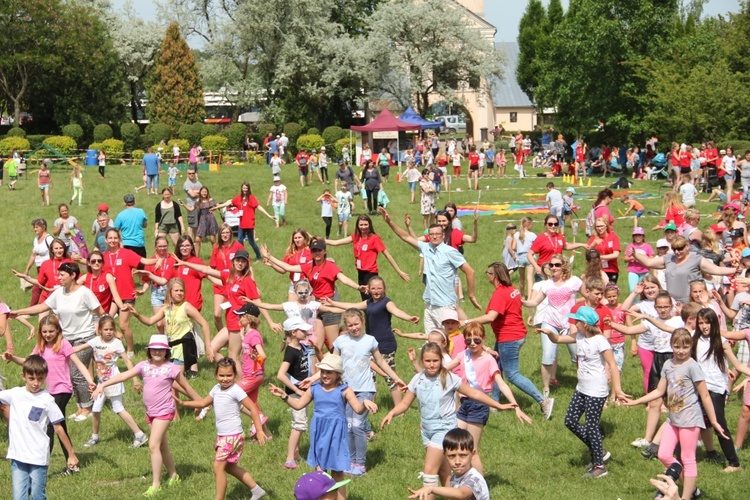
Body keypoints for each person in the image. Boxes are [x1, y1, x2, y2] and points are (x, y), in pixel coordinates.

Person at [380, 342, 518, 498]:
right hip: (427, 431)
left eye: (435, 361)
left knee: (429, 471)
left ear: (441, 360)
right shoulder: (417, 379)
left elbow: (475, 394)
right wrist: (392, 413)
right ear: (422, 361)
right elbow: (405, 403)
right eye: (428, 361)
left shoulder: (449, 378)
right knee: (443, 471)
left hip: (444, 429)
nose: (431, 365)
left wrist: (498, 405)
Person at [623, 329, 728, 500]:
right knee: (663, 454)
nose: (680, 350)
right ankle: (692, 489)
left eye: (685, 347)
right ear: (671, 345)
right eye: (677, 346)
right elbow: (659, 390)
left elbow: (705, 395)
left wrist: (714, 422)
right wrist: (636, 401)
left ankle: (686, 497)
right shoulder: (668, 365)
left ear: (691, 346)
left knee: (688, 458)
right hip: (673, 420)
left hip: (690, 420)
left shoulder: (692, 366)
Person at [92, 334, 201, 497]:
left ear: (166, 352)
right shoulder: (143, 366)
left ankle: (156, 485)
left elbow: (185, 386)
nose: (157, 352)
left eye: (161, 350)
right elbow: (124, 376)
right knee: (162, 446)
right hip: (151, 412)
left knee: (153, 446)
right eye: (154, 349)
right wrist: (104, 385)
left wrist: (200, 403)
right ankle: (174, 475)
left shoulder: (171, 368)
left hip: (164, 412)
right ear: (149, 351)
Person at [269, 353, 377, 500]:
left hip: (337, 434)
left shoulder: (344, 390)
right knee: (320, 474)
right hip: (319, 433)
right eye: (323, 371)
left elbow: (357, 409)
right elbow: (299, 405)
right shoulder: (314, 388)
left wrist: (365, 403)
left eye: (329, 372)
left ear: (338, 374)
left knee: (338, 472)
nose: (325, 375)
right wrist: (284, 396)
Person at [538, 307, 627, 478]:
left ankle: (599, 466)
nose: (574, 323)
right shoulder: (578, 337)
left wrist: (618, 390)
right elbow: (557, 339)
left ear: (585, 324)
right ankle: (599, 451)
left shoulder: (600, 341)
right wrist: (548, 332)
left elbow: (613, 365)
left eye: (576, 321)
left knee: (592, 426)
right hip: (581, 389)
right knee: (570, 421)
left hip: (596, 391)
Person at [11, 262, 105, 421]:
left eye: (62, 274)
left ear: (73, 275)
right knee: (70, 373)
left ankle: (87, 408)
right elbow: (41, 307)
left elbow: (101, 312)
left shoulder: (84, 293)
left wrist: (106, 331)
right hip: (65, 338)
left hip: (85, 337)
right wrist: (18, 312)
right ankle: (80, 406)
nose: (58, 277)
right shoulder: (59, 293)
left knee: (76, 372)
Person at [464, 262, 554, 418]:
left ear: (495, 276)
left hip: (509, 338)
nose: (487, 276)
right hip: (515, 334)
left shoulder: (500, 293)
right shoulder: (513, 290)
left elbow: (491, 317)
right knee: (496, 366)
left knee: (512, 374)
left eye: (488, 273)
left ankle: (543, 401)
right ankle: (494, 404)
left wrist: (467, 322)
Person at [177, 358, 267, 500]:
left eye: (229, 375)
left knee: (218, 467)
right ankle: (256, 490)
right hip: (224, 436)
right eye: (222, 376)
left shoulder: (236, 390)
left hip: (232, 436)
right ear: (216, 375)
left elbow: (253, 409)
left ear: (235, 375)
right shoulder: (216, 389)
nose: (225, 379)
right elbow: (202, 402)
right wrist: (183, 402)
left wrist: (260, 430)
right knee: (229, 467)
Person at [380, 208, 480, 331]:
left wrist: (471, 295)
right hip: (430, 305)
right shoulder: (426, 248)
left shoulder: (450, 252)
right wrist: (389, 221)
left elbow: (470, 271)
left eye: (437, 234)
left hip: (445, 306)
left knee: (448, 341)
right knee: (431, 342)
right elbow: (405, 237)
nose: (434, 237)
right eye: (431, 234)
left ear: (443, 235)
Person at [324, 277, 419, 406]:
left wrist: (409, 318)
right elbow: (352, 307)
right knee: (369, 376)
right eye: (373, 288)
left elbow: (396, 311)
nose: (376, 291)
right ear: (368, 289)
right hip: (369, 346)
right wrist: (333, 303)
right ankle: (368, 406)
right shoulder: (368, 303)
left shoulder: (386, 302)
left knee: (388, 375)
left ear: (384, 289)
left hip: (385, 344)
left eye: (379, 288)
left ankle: (399, 407)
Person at [454, 322, 532, 473]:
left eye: (476, 340)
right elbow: (443, 370)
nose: (472, 344)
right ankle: (462, 477)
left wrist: (516, 406)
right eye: (468, 340)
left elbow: (502, 384)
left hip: (479, 405)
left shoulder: (489, 360)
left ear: (483, 339)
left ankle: (480, 488)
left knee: (471, 449)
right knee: (455, 442)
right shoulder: (463, 355)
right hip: (464, 404)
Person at [261, 238, 365, 349]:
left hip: (330, 305)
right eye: (314, 251)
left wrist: (358, 287)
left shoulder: (330, 266)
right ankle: (316, 366)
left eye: (319, 250)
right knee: (316, 346)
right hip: (317, 306)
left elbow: (344, 279)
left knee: (333, 345)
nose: (317, 253)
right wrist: (269, 257)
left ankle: (345, 363)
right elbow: (288, 267)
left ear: (325, 251)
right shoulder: (309, 266)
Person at [0, 355, 79, 499]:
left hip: (38, 456)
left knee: (37, 495)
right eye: (31, 379)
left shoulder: (47, 400)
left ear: (45, 377)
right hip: (18, 456)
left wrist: (71, 454)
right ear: (23, 376)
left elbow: (59, 428)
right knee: (19, 497)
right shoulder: (15, 394)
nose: (36, 383)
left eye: (40, 379)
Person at [74, 315, 147, 449]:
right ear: (100, 330)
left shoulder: (116, 343)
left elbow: (127, 361)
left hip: (114, 381)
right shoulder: (96, 341)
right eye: (106, 329)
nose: (108, 332)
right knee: (95, 410)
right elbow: (80, 348)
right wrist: (62, 350)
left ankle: (139, 434)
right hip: (101, 383)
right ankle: (94, 437)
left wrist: (135, 379)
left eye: (111, 329)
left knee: (118, 408)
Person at [128, 277, 214, 379]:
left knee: (174, 379)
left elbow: (205, 324)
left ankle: (190, 373)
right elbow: (150, 321)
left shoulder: (186, 307)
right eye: (176, 290)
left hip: (183, 348)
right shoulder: (166, 308)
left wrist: (208, 346)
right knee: (165, 376)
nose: (179, 293)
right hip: (169, 347)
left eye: (181, 290)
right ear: (170, 292)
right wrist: (137, 315)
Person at [522, 254, 582, 400]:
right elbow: (534, 302)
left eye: (557, 265)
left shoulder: (574, 281)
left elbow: (589, 295)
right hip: (550, 323)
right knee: (548, 356)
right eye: (551, 265)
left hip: (571, 324)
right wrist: (522, 301)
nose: (553, 267)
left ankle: (584, 385)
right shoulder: (546, 284)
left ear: (564, 266)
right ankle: (546, 390)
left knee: (578, 357)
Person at [101, 228, 161, 356]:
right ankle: (110, 347)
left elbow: (144, 261)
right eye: (110, 238)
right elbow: (92, 265)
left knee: (123, 325)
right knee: (105, 321)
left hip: (127, 295)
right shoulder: (104, 257)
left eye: (115, 238)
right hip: (112, 296)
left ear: (119, 239)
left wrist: (158, 259)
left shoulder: (126, 253)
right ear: (106, 240)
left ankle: (130, 350)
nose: (112, 240)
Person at [629, 235, 736, 304]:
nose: (677, 252)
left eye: (680, 248)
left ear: (687, 246)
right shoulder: (669, 258)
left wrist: (734, 270)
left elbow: (717, 270)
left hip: (692, 302)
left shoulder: (697, 259)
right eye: (674, 249)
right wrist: (635, 255)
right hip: (673, 303)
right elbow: (649, 262)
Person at [325, 214, 410, 299]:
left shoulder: (374, 238)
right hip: (360, 274)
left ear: (369, 225)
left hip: (371, 274)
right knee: (365, 300)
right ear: (358, 225)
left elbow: (388, 255)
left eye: (366, 224)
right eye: (361, 225)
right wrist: (320, 240)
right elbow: (336, 243)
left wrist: (399, 271)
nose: (363, 227)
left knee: (373, 300)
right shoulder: (356, 236)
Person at [406, 428, 489, 500]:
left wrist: (431, 488)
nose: (457, 462)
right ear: (445, 456)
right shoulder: (454, 478)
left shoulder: (475, 479)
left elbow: (462, 494)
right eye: (452, 456)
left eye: (463, 455)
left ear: (473, 454)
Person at [213, 182, 275, 261]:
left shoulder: (251, 198)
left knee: (251, 242)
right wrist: (217, 207)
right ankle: (243, 256)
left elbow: (259, 207)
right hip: (241, 225)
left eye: (246, 188)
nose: (245, 189)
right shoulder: (238, 198)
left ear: (248, 189)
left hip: (249, 225)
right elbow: (229, 202)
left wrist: (268, 215)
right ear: (241, 188)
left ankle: (259, 257)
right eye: (243, 188)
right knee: (239, 241)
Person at [527, 214, 588, 279]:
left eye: (555, 224)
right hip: (545, 271)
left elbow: (566, 246)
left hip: (557, 270)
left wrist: (581, 244)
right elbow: (529, 254)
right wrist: (536, 267)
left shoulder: (559, 236)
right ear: (545, 225)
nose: (553, 226)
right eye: (550, 224)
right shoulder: (540, 238)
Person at [209, 224, 246, 330]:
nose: (225, 235)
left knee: (234, 314)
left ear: (231, 233)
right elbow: (212, 267)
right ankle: (223, 337)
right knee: (217, 314)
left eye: (227, 232)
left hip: (234, 285)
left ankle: (237, 335)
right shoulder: (216, 248)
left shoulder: (238, 246)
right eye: (223, 233)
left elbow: (247, 265)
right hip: (220, 284)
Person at [24, 218, 55, 307]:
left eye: (37, 227)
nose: (35, 229)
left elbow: (56, 251)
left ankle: (31, 310)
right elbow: (33, 255)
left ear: (44, 227)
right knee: (43, 288)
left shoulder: (49, 239)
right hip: (39, 268)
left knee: (37, 288)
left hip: (47, 268)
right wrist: (27, 269)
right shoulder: (36, 239)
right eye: (34, 227)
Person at [587, 217, 621, 284]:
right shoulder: (594, 238)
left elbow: (616, 254)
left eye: (601, 226)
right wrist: (593, 244)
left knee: (609, 291)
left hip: (611, 269)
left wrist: (601, 257)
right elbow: (588, 254)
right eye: (597, 226)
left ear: (606, 226)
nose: (599, 228)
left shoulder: (613, 237)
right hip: (597, 269)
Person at [191, 186, 219, 256]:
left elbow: (217, 206)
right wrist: (184, 204)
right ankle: (196, 257)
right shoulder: (198, 201)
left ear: (207, 192)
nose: (204, 193)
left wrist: (214, 209)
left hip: (211, 219)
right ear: (200, 192)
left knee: (213, 240)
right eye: (203, 192)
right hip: (202, 220)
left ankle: (215, 256)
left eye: (205, 192)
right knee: (197, 239)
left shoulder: (211, 200)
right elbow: (191, 209)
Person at [182, 168, 202, 239]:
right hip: (191, 206)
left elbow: (204, 193)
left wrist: (196, 193)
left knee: (197, 224)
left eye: (193, 173)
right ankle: (190, 239)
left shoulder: (198, 183)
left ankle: (196, 239)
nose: (191, 175)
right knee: (191, 224)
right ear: (187, 174)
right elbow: (192, 195)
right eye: (190, 173)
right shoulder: (187, 184)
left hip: (199, 206)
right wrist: (199, 193)